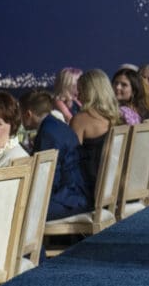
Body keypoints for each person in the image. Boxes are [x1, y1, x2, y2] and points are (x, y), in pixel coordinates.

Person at [20, 90, 90, 219]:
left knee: (19, 212)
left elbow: (48, 179)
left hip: (69, 199)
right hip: (78, 194)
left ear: (28, 114)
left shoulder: (47, 133)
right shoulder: (57, 125)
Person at [70, 69, 122, 201]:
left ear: (90, 93)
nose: (78, 95)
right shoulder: (117, 119)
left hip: (91, 190)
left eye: (81, 91)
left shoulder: (80, 120)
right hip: (117, 187)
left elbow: (71, 159)